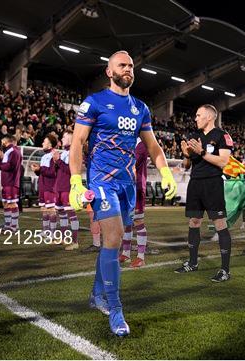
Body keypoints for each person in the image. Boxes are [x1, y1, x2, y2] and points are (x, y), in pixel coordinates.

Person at [69, 50, 177, 336]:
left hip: (127, 184)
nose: (128, 69)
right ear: (109, 71)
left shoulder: (140, 108)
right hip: (101, 182)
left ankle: (96, 295)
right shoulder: (93, 102)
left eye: (131, 65)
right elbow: (78, 142)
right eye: (122, 65)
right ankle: (116, 310)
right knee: (115, 238)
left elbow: (153, 146)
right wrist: (76, 182)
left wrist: (165, 172)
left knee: (110, 242)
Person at [175, 104, 234, 282]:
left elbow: (223, 162)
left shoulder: (222, 136)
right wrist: (186, 155)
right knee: (194, 222)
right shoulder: (194, 136)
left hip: (213, 184)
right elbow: (187, 166)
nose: (196, 118)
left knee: (220, 224)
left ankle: (225, 270)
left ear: (209, 117)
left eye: (198, 115)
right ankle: (192, 263)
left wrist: (201, 152)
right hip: (195, 184)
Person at [120, 138, 150, 268]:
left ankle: (140, 257)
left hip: (136, 187)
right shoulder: (128, 141)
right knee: (127, 222)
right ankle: (126, 253)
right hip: (125, 187)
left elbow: (132, 163)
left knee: (138, 221)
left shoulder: (142, 144)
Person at [53, 130, 80, 250]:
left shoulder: (73, 152)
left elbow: (71, 171)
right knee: (62, 214)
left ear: (70, 138)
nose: (62, 139)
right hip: (59, 187)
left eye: (64, 137)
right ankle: (64, 238)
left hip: (67, 188)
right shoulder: (63, 152)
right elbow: (58, 171)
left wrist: (58, 160)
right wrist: (55, 161)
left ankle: (75, 241)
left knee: (71, 214)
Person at [31, 134, 59, 238]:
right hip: (43, 186)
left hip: (50, 187)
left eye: (44, 141)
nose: (42, 143)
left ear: (50, 144)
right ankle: (45, 231)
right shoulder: (44, 156)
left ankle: (52, 232)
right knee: (44, 209)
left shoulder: (54, 155)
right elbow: (43, 172)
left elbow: (53, 172)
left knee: (51, 209)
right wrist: (37, 171)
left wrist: (40, 169)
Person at [0, 135, 22, 231]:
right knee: (6, 203)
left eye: (2, 141)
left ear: (6, 141)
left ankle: (14, 226)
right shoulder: (9, 151)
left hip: (11, 182)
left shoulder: (13, 151)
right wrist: (0, 158)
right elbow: (6, 165)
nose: (1, 144)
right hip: (7, 182)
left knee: (12, 204)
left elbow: (9, 166)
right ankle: (8, 225)